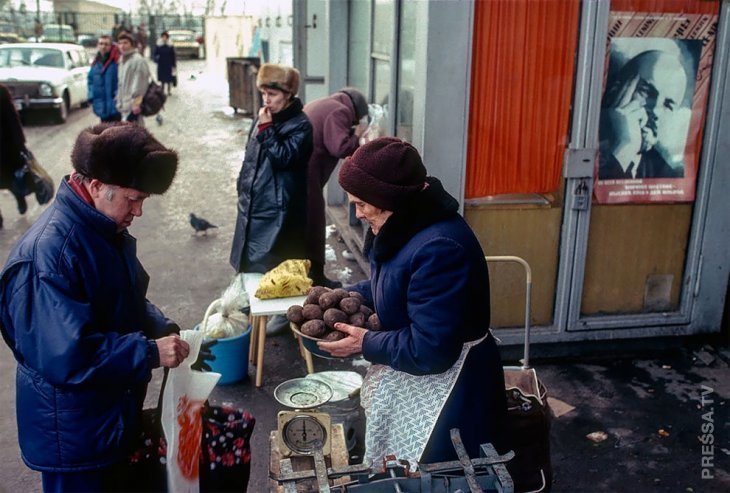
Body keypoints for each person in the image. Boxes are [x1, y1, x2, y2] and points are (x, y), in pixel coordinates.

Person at [0, 122, 195, 492]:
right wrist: (149, 351)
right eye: (132, 198)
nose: (137, 211)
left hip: (102, 421)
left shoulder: (102, 230)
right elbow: (69, 357)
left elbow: (124, 300)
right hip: (73, 439)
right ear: (95, 187)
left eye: (143, 201)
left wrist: (160, 326)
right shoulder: (50, 255)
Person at [318, 137, 509, 465]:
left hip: (454, 392)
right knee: (399, 469)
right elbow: (395, 284)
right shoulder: (400, 225)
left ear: (389, 198)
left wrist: (364, 344)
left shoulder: (440, 248)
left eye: (362, 204)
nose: (357, 213)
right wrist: (350, 297)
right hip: (414, 372)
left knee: (440, 476)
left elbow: (431, 349)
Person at [303, 88, 369, 288]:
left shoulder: (325, 103)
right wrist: (357, 135)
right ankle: (314, 278)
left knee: (307, 224)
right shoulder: (339, 111)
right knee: (313, 224)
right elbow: (340, 147)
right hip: (306, 175)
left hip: (301, 173)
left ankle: (309, 275)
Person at [598, 49, 688, 179]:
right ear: (616, 90)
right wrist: (625, 147)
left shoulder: (668, 176)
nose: (656, 110)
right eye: (647, 92)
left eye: (668, 105)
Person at [0, 83, 31, 226]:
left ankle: (19, 195)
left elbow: (13, 119)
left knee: (10, 179)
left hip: (5, 147)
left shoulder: (1, 91)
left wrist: (20, 144)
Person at [116, 32, 150, 125]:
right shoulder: (122, 60)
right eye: (120, 43)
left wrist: (136, 103)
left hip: (133, 106)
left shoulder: (137, 60)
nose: (122, 46)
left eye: (125, 43)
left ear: (132, 44)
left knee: (135, 133)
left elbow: (141, 84)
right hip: (124, 105)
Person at [87, 35, 122, 123]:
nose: (103, 46)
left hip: (116, 105)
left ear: (111, 46)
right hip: (101, 105)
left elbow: (122, 81)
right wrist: (91, 96)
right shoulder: (95, 63)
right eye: (101, 44)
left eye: (106, 44)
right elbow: (90, 80)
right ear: (97, 45)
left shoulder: (116, 61)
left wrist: (118, 95)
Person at [153, 31, 176, 96]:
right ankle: (162, 91)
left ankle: (169, 91)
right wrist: (156, 60)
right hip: (161, 63)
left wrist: (174, 65)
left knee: (169, 79)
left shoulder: (170, 46)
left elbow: (173, 55)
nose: (164, 38)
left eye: (165, 37)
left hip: (168, 63)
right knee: (162, 79)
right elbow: (155, 54)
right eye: (163, 37)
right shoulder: (159, 45)